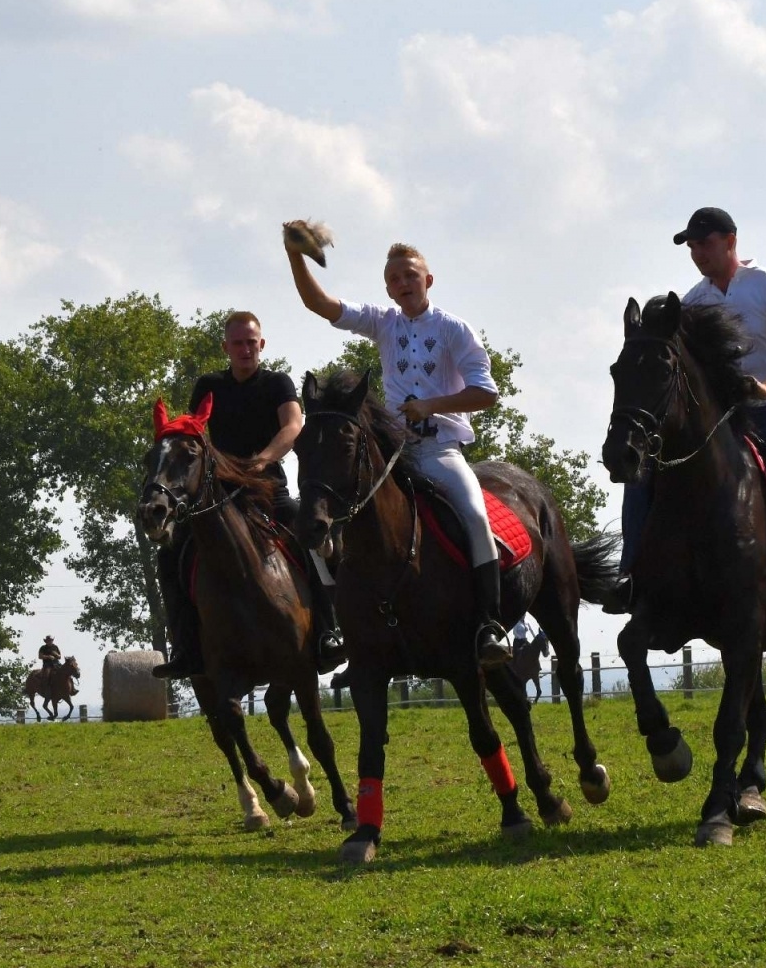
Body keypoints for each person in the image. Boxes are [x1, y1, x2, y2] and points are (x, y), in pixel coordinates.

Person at [608, 207, 766, 634]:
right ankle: (629, 577)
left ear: (730, 241)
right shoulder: (692, 302)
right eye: (691, 246)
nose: (697, 253)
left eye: (704, 243)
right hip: (723, 420)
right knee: (644, 473)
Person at [287, 237, 513, 667]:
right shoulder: (383, 322)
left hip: (439, 449)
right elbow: (318, 303)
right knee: (318, 518)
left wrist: (431, 405)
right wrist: (294, 254)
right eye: (394, 278)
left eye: (411, 275)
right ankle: (339, 627)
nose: (403, 282)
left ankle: (490, 623)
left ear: (429, 280)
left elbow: (486, 393)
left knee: (474, 514)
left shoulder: (454, 329)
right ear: (388, 289)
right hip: (389, 454)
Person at [151, 311, 346, 678]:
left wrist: (262, 460)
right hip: (218, 495)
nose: (245, 349)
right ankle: (186, 647)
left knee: (309, 535)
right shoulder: (208, 385)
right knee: (170, 554)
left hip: (268, 490)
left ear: (262, 345)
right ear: (225, 347)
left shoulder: (277, 384)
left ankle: (327, 632)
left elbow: (293, 426)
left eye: (251, 343)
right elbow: (195, 435)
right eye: (238, 343)